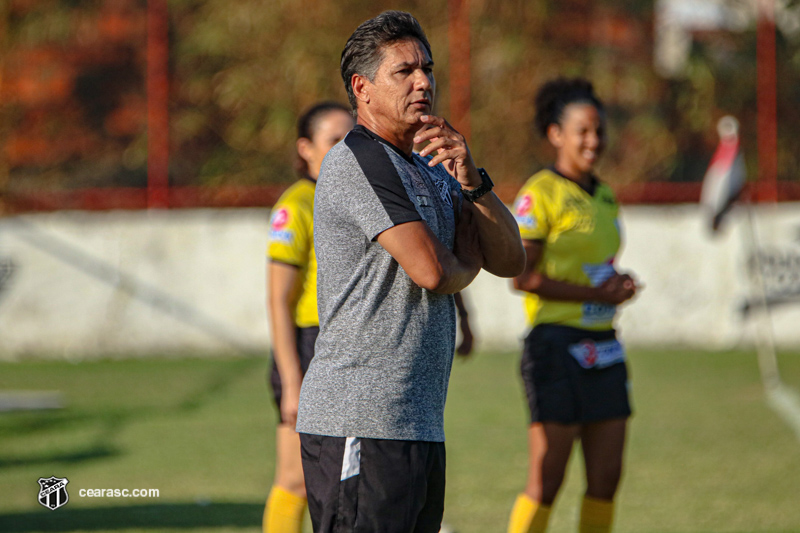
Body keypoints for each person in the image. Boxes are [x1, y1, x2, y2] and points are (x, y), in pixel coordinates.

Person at [295, 10, 525, 533]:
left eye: (428, 67)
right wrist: (466, 261)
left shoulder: (434, 164)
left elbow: (511, 261)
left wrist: (475, 182)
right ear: (363, 87)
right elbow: (432, 271)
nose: (424, 81)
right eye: (404, 71)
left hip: (417, 421)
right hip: (359, 420)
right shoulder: (358, 158)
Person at [506, 78, 639, 533]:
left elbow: (595, 266)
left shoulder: (604, 195)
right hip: (554, 346)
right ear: (555, 134)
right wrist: (596, 294)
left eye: (598, 131)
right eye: (582, 130)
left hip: (604, 344)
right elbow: (523, 278)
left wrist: (617, 284)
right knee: (547, 479)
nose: (594, 141)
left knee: (606, 479)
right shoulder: (539, 193)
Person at [263, 101, 354, 533]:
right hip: (309, 347)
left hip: (352, 346)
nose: (344, 150)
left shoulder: (359, 198)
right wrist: (292, 381)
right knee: (296, 479)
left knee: (347, 478)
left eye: (351, 139)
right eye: (333, 141)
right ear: (306, 148)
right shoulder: (298, 203)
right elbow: (279, 300)